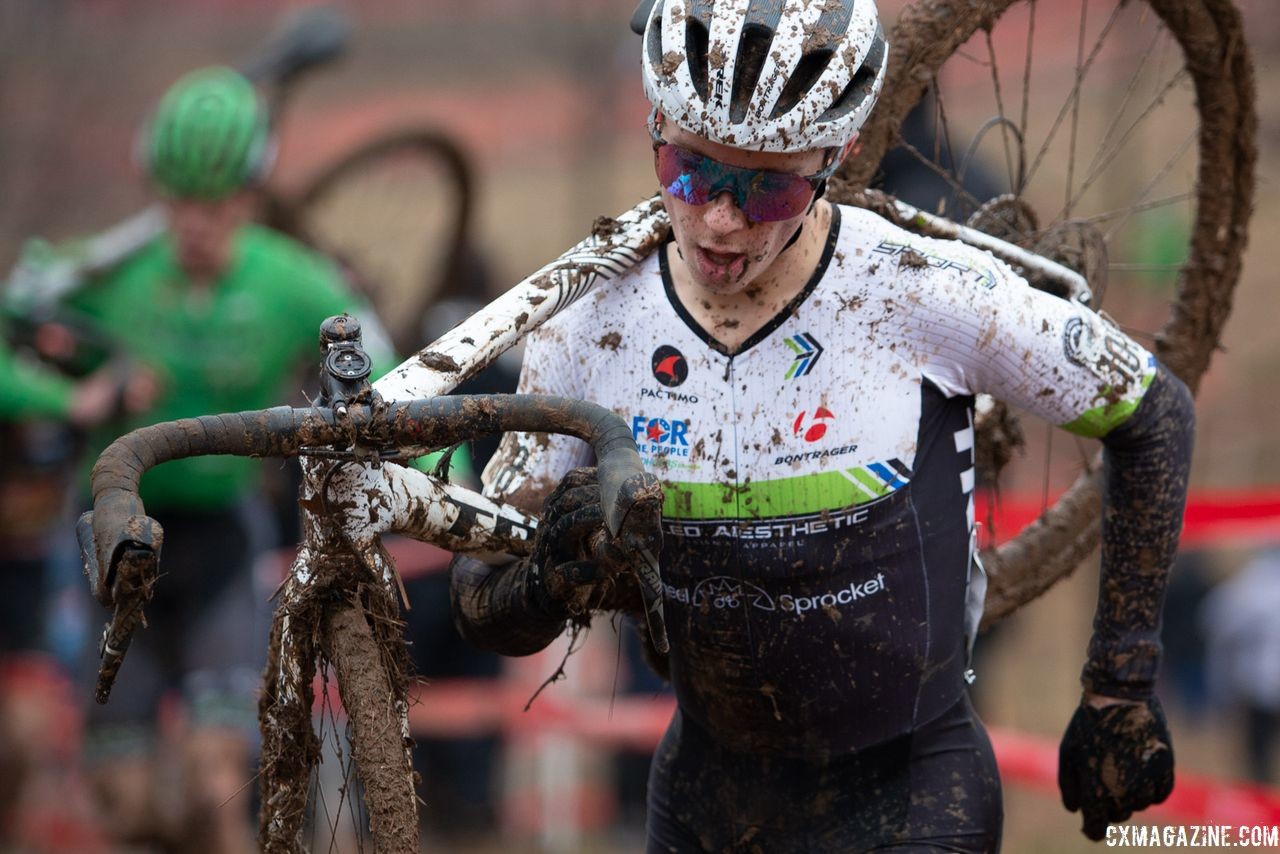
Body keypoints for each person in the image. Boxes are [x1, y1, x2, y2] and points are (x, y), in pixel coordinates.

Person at [449, 1, 1194, 850]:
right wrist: (550, 573)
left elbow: (1154, 412)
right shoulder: (586, 325)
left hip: (909, 798)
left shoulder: (918, 292)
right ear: (652, 128)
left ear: (834, 159)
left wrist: (1120, 689)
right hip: (705, 798)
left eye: (767, 185)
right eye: (689, 170)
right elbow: (482, 613)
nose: (721, 220)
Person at [7, 66, 396, 852]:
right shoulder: (107, 275)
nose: (193, 223)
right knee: (127, 801)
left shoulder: (293, 283)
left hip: (221, 539)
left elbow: (389, 384)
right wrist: (70, 403)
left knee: (221, 778)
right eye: (177, 199)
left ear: (251, 197)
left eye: (214, 205)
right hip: (115, 543)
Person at [1200, 547, 1280, 785]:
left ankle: (1261, 799)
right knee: (1259, 750)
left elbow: (1214, 620)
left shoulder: (1249, 585)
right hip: (1259, 684)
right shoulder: (1254, 583)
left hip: (1257, 684)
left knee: (1258, 753)